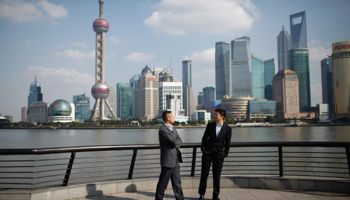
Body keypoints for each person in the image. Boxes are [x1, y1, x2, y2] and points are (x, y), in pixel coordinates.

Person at [198, 108, 232, 200]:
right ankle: (201, 194)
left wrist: (225, 154)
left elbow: (228, 143)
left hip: (219, 155)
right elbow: (204, 138)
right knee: (204, 175)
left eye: (216, 115)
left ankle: (215, 195)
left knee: (216, 176)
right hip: (207, 153)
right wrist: (203, 149)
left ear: (222, 117)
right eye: (215, 114)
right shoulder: (210, 125)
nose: (215, 116)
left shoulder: (228, 128)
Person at [155, 111, 184, 200]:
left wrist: (176, 143)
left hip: (175, 160)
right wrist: (176, 142)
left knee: (177, 183)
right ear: (168, 118)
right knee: (162, 184)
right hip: (167, 161)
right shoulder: (163, 130)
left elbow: (180, 140)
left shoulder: (173, 129)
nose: (174, 118)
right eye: (173, 116)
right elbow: (174, 142)